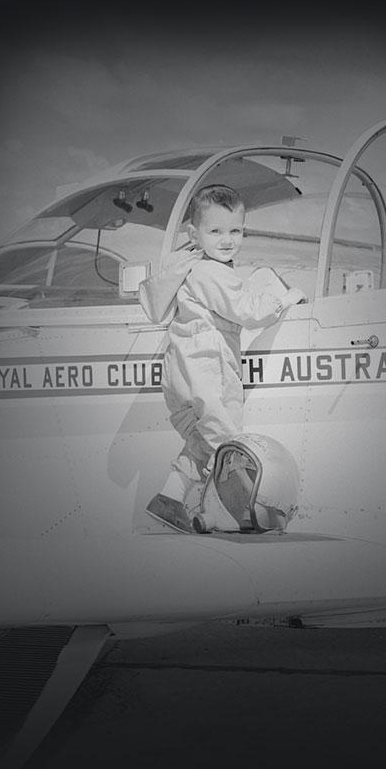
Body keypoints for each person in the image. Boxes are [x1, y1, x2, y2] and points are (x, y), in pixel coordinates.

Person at [138, 184, 306, 532]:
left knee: (203, 442)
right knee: (229, 444)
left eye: (235, 231)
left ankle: (170, 498)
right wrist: (285, 300)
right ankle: (247, 514)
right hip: (207, 367)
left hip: (181, 371)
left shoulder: (191, 268)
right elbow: (247, 310)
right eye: (215, 231)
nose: (227, 240)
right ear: (194, 234)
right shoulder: (211, 271)